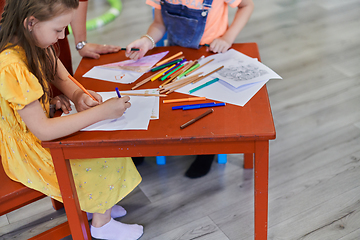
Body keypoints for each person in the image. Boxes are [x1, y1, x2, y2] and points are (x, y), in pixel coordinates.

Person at [0, 1, 143, 239]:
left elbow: (59, 74)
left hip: (38, 128)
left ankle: (97, 205)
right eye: (58, 30)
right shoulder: (10, 65)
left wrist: (77, 95)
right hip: (29, 148)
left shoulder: (33, 38)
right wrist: (101, 113)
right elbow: (43, 131)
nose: (59, 38)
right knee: (101, 153)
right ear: (31, 22)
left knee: (105, 141)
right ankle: (102, 223)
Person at [125, 0, 254, 178]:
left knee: (205, 106)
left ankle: (207, 150)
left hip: (211, 55)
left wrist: (227, 38)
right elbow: (158, 24)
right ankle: (147, 146)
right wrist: (147, 40)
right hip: (178, 56)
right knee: (164, 99)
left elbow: (247, 5)